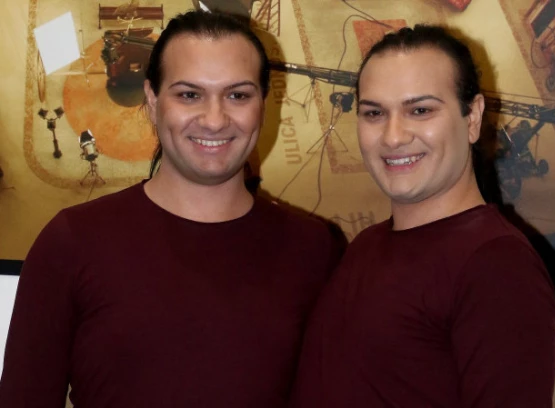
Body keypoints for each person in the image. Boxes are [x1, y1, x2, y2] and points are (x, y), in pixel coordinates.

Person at [0, 10, 342, 408]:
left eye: (237, 95)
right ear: (151, 101)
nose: (214, 120)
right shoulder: (73, 243)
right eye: (189, 95)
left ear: (264, 104)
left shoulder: (313, 249)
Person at [290, 25, 555, 408]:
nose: (393, 136)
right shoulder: (368, 244)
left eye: (420, 110)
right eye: (374, 113)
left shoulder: (496, 264)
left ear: (472, 118)